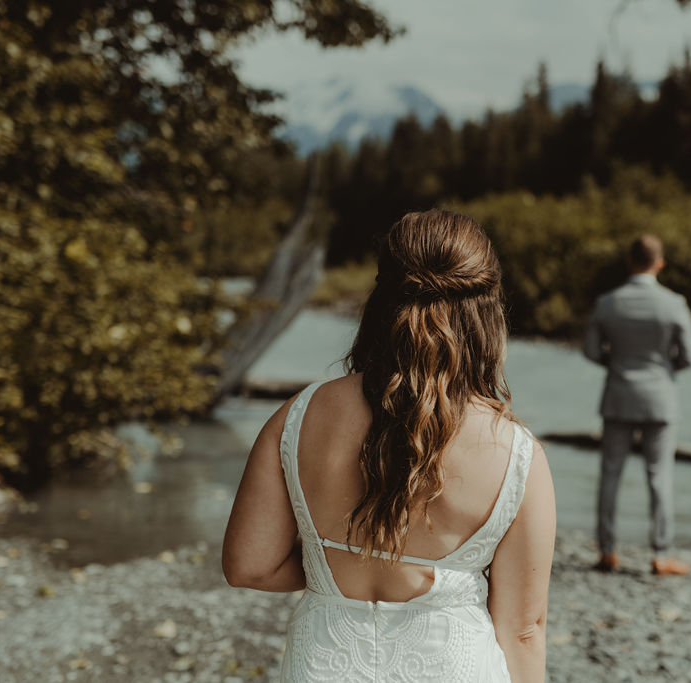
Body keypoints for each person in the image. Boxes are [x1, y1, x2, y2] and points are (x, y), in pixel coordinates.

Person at [222, 210, 556, 682]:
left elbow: (248, 566)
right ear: (487, 312)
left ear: (379, 301)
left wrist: (329, 565)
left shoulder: (299, 415)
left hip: (323, 665)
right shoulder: (517, 453)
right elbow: (523, 629)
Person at [582, 234, 691, 576]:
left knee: (610, 475)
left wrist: (617, 364)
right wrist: (663, 370)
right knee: (660, 477)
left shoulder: (607, 303)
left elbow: (590, 351)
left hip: (618, 395)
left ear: (630, 262)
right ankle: (661, 554)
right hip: (660, 399)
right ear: (660, 263)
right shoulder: (674, 303)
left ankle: (607, 550)